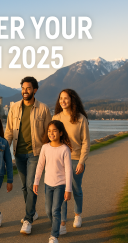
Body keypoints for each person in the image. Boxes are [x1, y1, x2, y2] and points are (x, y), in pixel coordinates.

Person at [4, 76, 51, 234]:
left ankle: (28, 219)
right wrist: (4, 152)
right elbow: (9, 131)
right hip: (19, 153)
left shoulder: (43, 109)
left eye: (28, 88)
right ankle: (33, 212)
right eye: (23, 88)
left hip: (35, 154)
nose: (25, 91)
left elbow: (48, 134)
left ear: (35, 90)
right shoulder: (14, 108)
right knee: (25, 187)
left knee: (31, 186)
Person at [52, 89, 90, 234]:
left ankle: (78, 215)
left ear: (72, 100)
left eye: (66, 98)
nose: (63, 101)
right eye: (61, 98)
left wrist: (81, 161)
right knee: (61, 192)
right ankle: (62, 223)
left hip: (75, 160)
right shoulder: (56, 117)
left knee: (76, 189)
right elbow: (52, 139)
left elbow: (86, 142)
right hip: (60, 162)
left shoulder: (81, 119)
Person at [33, 120, 73, 243]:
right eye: (49, 131)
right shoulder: (45, 147)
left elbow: (68, 170)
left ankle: (54, 236)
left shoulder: (65, 149)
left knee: (56, 210)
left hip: (60, 185)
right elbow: (40, 165)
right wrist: (36, 182)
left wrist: (68, 189)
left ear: (61, 133)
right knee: (48, 210)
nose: (51, 133)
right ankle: (57, 226)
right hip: (47, 184)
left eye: (54, 131)